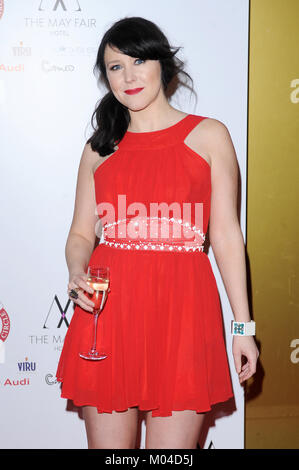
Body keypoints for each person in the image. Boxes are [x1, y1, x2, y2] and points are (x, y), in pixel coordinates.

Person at [56, 16, 259, 449]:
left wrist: (243, 329)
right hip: (106, 317)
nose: (128, 76)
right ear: (105, 76)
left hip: (184, 318)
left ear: (162, 66)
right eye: (115, 67)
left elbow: (225, 236)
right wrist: (77, 272)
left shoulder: (208, 135)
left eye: (138, 60)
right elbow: (79, 235)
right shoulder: (99, 148)